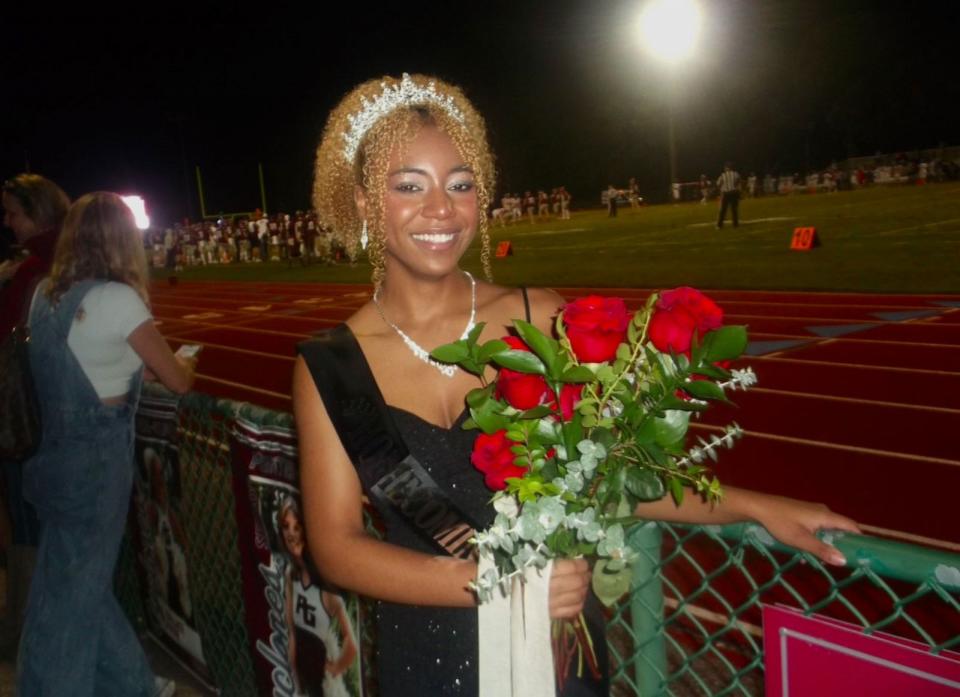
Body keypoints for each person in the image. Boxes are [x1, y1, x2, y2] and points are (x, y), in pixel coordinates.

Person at [293, 74, 858, 697]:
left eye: (461, 184)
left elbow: (614, 474)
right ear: (366, 203)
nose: (441, 209)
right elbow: (337, 547)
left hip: (560, 654)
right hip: (429, 652)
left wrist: (751, 505)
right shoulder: (329, 365)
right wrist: (501, 580)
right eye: (409, 186)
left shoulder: (541, 319)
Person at [17, 192, 197, 697]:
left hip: (52, 457)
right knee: (74, 597)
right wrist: (189, 362)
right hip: (97, 461)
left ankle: (133, 683)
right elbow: (177, 379)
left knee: (75, 581)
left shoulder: (44, 295)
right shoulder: (119, 300)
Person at [0, 174, 70, 657]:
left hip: (24, 420)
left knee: (27, 525)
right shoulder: (68, 262)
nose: (7, 222)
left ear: (38, 214)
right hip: (58, 419)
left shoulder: (32, 272)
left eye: (13, 212)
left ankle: (24, 632)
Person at [279, 497, 358, 697]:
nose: (291, 533)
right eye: (286, 526)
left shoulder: (325, 585)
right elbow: (290, 631)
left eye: (297, 527)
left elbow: (352, 644)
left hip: (319, 674)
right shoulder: (291, 574)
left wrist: (336, 667)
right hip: (300, 667)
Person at [716, 162, 741, 229]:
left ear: (726, 168)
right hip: (734, 193)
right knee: (734, 209)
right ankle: (735, 224)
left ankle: (719, 225)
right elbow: (738, 181)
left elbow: (718, 184)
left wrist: (721, 190)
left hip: (726, 194)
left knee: (723, 210)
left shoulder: (723, 175)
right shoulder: (735, 174)